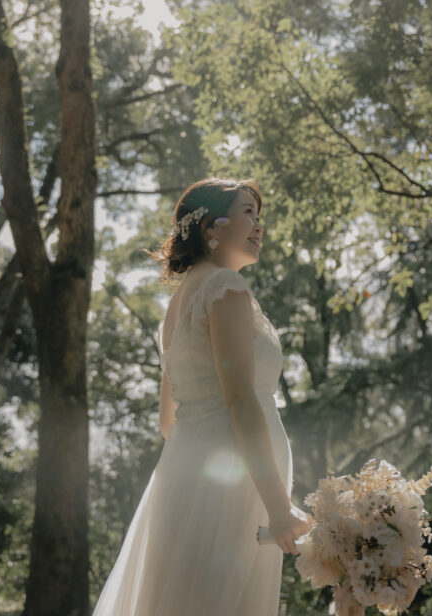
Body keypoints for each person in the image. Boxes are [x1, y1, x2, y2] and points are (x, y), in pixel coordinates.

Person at [91, 177, 312, 616]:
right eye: (247, 212)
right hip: (232, 487)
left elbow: (168, 422)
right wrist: (278, 507)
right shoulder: (225, 287)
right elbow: (241, 401)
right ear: (212, 225)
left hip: (186, 477)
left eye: (259, 216)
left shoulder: (178, 305)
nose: (259, 225)